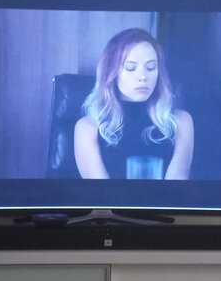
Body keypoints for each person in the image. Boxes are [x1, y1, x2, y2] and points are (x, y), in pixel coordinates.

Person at [74, 28, 194, 179]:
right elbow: (101, 192)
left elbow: (176, 186)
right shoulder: (87, 127)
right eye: (131, 68)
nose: (143, 76)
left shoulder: (181, 121)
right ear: (111, 73)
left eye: (151, 67)